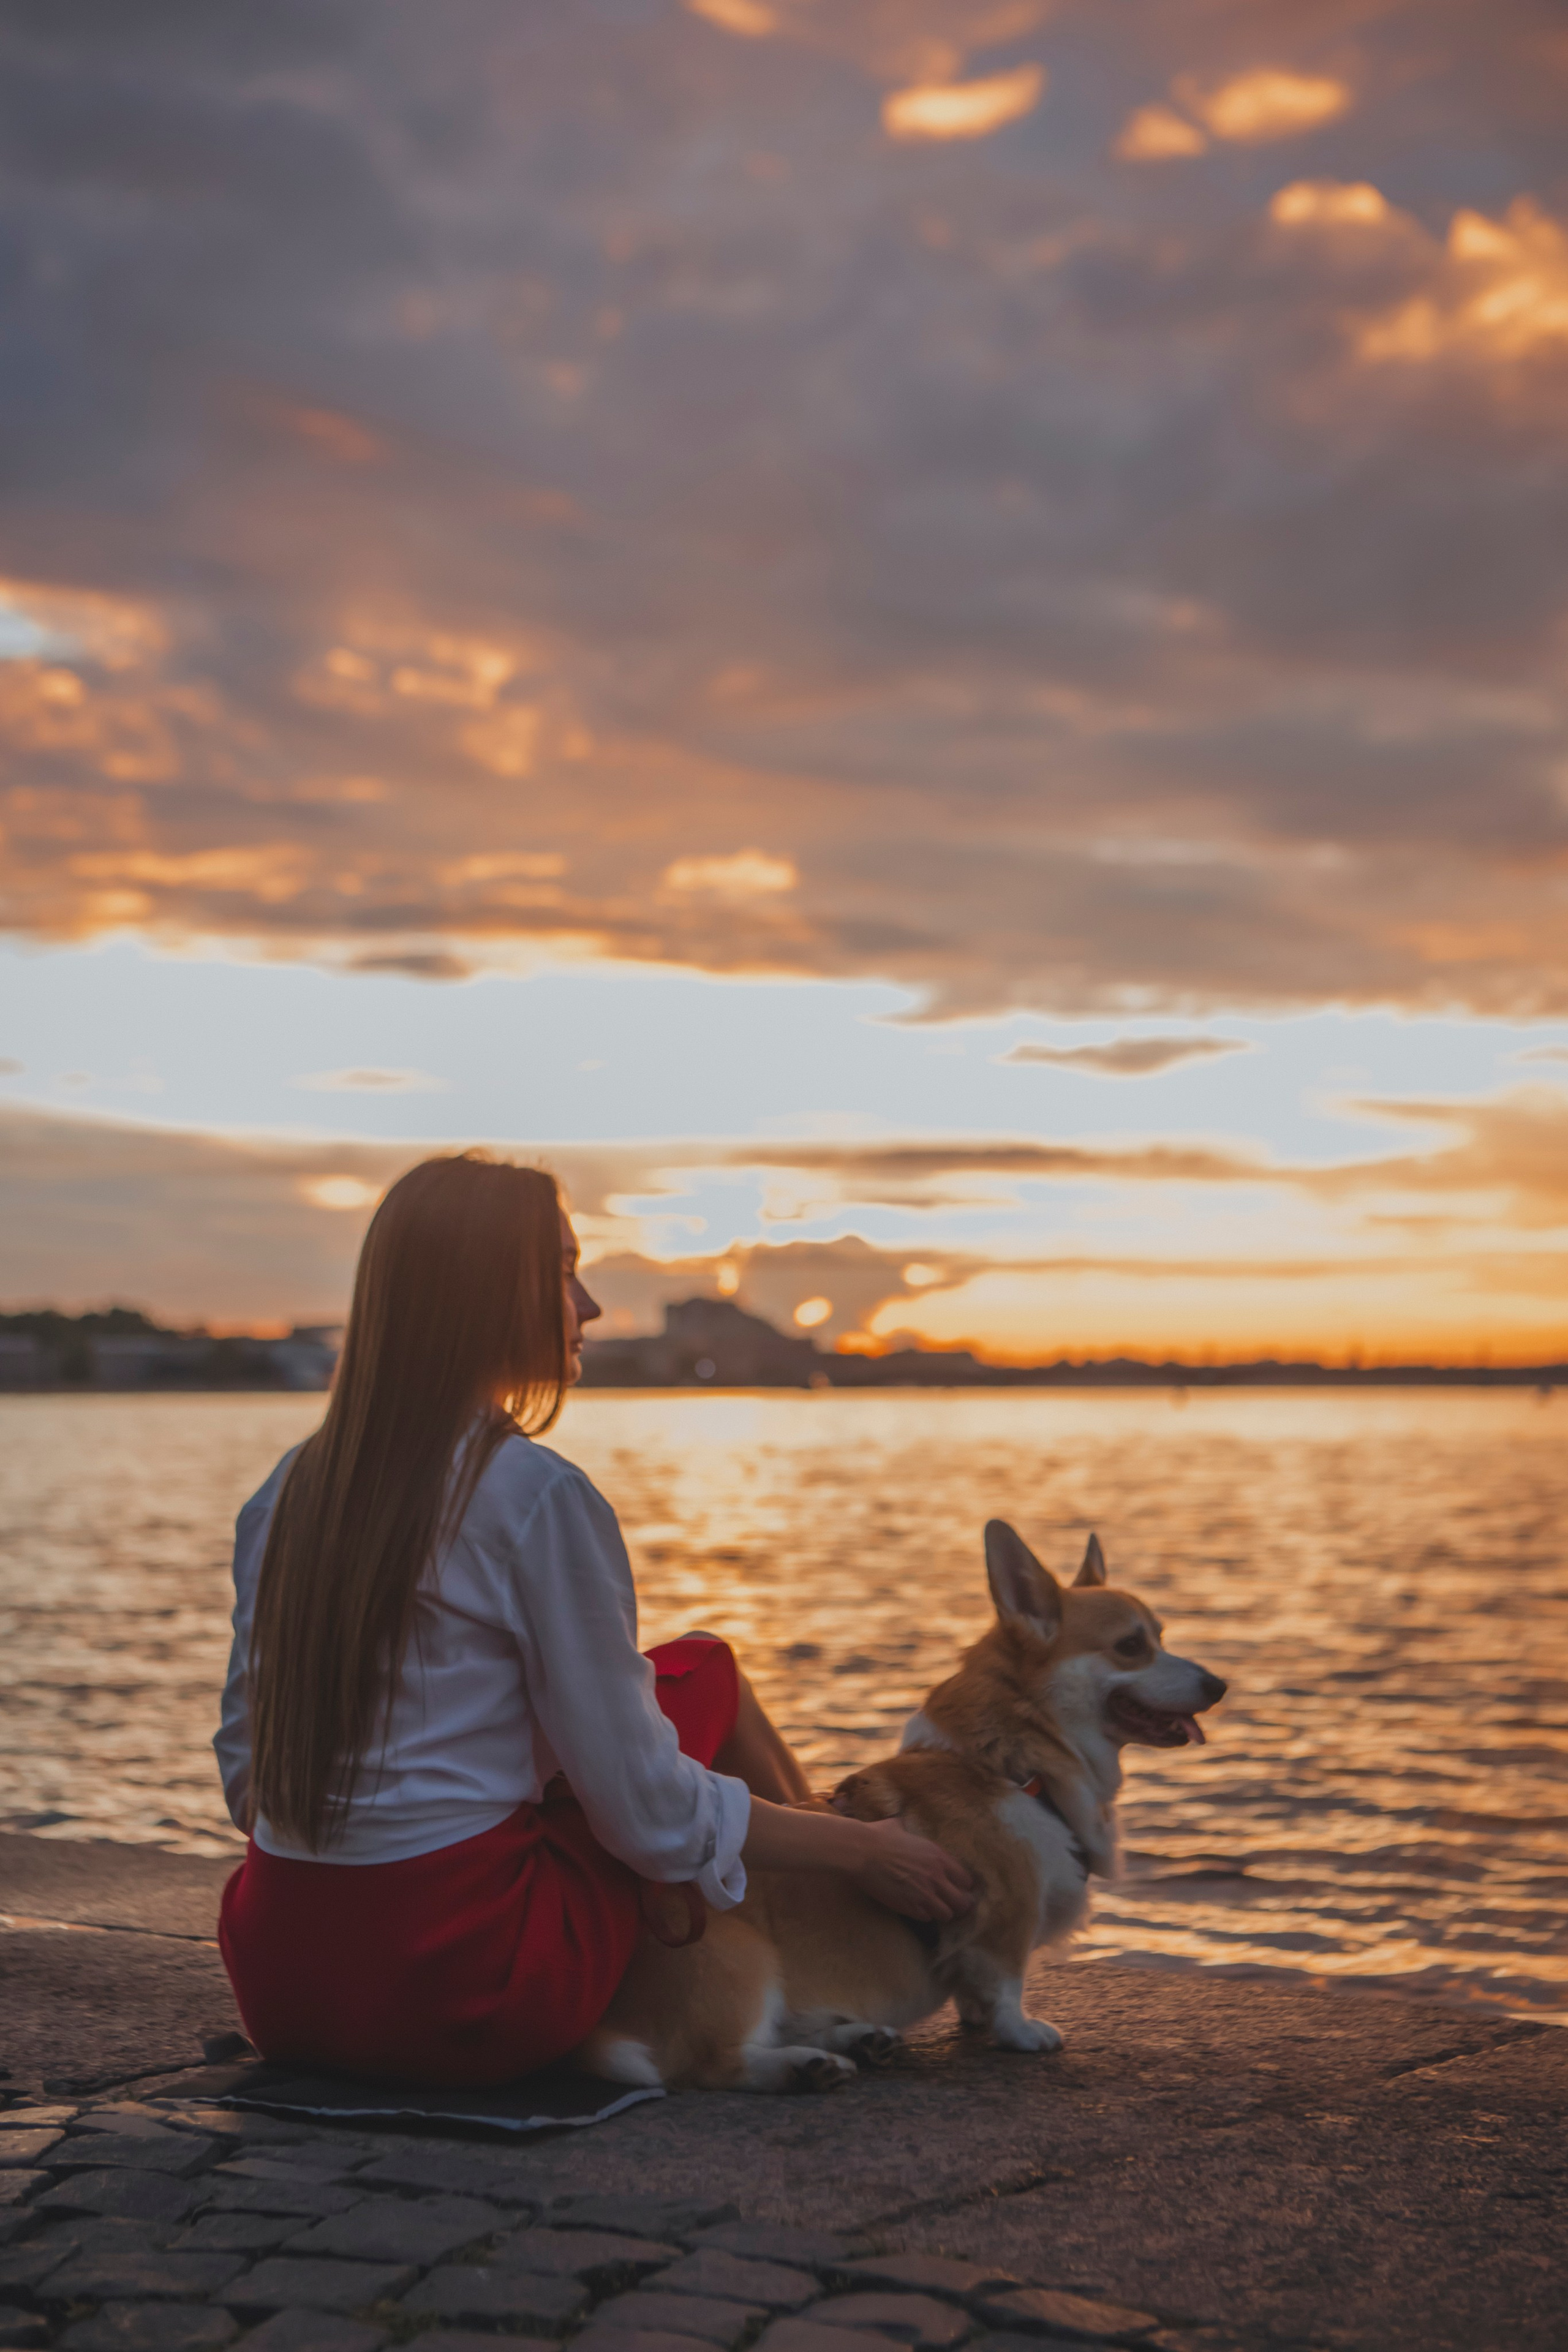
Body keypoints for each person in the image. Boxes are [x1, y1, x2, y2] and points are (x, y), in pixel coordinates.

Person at [215, 1152, 972, 2086]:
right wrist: (863, 1846)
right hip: (460, 1992)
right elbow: (650, 1817)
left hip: (285, 1986)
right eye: (565, 1272)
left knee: (697, 1673)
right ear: (486, 1296)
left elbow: (249, 1785)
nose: (591, 1307)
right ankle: (821, 1943)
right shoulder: (533, 1495)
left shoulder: (282, 1494)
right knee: (707, 1684)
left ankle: (789, 1962)